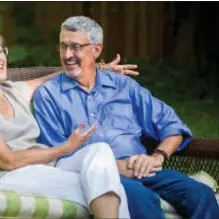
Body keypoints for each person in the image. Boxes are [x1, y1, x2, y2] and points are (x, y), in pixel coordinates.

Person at [33, 15, 219, 219]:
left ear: (96, 50)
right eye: (63, 46)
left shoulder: (123, 86)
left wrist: (156, 157)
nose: (67, 54)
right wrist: (113, 167)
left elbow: (173, 127)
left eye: (76, 47)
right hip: (98, 178)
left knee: (202, 194)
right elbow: (56, 156)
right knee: (141, 198)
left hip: (142, 170)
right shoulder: (49, 95)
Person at [0, 29, 139, 218]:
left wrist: (98, 68)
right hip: (9, 177)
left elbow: (52, 78)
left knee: (100, 150)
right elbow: (9, 161)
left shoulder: (13, 91)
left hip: (47, 168)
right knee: (100, 185)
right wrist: (65, 148)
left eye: (0, 51)